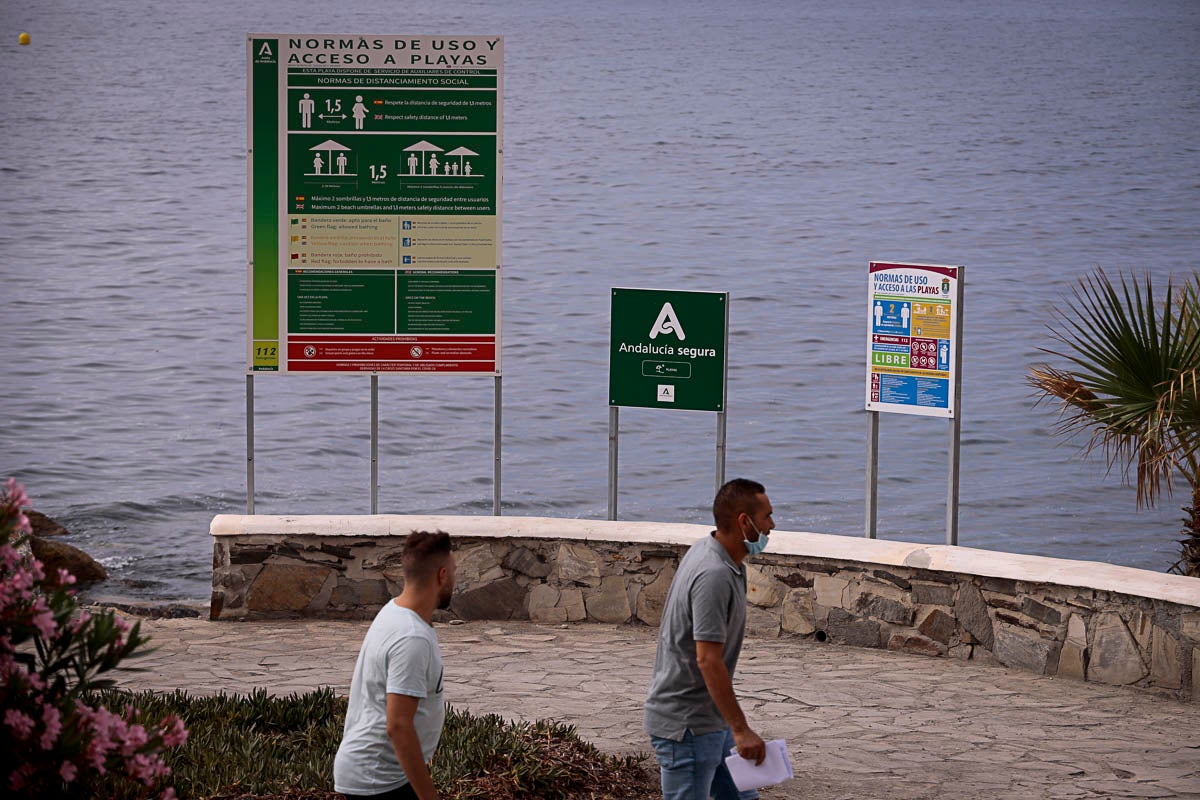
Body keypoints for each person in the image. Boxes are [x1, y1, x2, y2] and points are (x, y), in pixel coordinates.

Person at [643, 478, 775, 800]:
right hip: (688, 727)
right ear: (744, 522)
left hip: (712, 720)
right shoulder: (713, 574)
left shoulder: (719, 555)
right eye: (767, 517)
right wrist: (741, 729)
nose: (771, 526)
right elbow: (708, 659)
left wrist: (732, 726)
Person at [334, 531, 456, 800]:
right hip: (380, 781)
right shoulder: (411, 637)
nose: (455, 580)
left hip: (379, 775)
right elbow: (399, 725)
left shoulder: (395, 612)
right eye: (454, 572)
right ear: (442, 575)